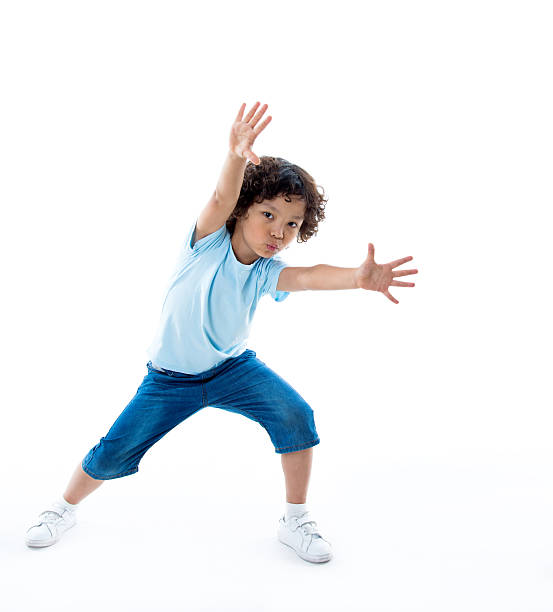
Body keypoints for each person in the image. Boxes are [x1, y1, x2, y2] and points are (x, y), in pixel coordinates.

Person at [25, 101, 418, 563]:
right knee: (114, 451)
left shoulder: (265, 272)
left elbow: (308, 276)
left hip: (233, 370)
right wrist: (235, 154)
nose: (279, 231)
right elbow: (219, 199)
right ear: (244, 209)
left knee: (296, 416)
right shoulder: (207, 241)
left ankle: (295, 520)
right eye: (268, 215)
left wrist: (356, 277)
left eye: (292, 224)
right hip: (169, 380)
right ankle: (62, 508)